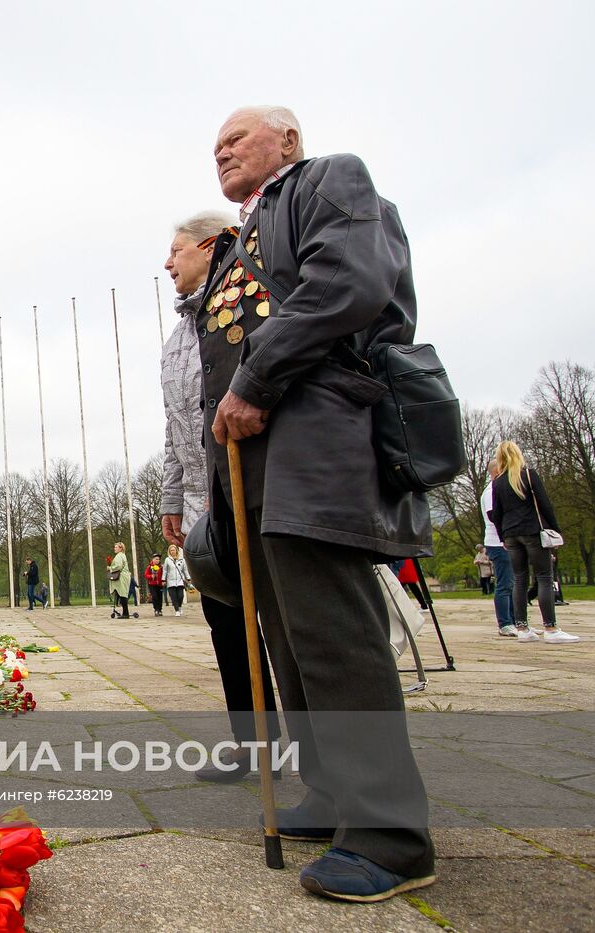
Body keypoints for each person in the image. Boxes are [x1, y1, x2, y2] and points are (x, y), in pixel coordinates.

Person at [195, 106, 435, 901]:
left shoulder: (330, 180)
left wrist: (256, 381)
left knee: (331, 628)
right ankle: (333, 793)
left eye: (239, 137)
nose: (222, 149)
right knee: (289, 636)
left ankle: (390, 833)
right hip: (254, 455)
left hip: (317, 431)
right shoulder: (238, 242)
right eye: (214, 146)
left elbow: (348, 285)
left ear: (288, 142)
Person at [160, 208, 279, 785]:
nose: (167, 264)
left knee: (279, 618)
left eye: (176, 251)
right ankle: (256, 742)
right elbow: (174, 425)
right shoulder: (177, 336)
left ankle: (322, 749)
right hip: (205, 499)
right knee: (225, 620)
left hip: (256, 486)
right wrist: (172, 498)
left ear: (210, 247)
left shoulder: (245, 303)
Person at [488, 441, 577, 644]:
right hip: (531, 531)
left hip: (511, 534)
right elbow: (545, 504)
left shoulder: (498, 482)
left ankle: (522, 627)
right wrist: (555, 529)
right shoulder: (528, 475)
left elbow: (497, 513)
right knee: (544, 577)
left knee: (519, 579)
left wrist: (503, 537)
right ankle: (551, 628)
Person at [481, 459, 516, 635]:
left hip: (504, 542)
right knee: (505, 584)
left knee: (512, 584)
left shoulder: (498, 490)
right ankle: (505, 623)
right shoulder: (491, 492)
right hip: (497, 542)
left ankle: (516, 621)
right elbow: (494, 516)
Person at [164, 544, 190, 616]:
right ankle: (177, 610)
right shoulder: (167, 560)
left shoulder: (182, 560)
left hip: (180, 581)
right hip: (171, 581)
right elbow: (165, 570)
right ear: (169, 551)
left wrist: (188, 578)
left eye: (173, 550)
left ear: (176, 551)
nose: (172, 551)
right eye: (171, 550)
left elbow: (185, 570)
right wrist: (163, 579)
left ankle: (180, 606)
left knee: (180, 596)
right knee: (174, 597)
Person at [107, 543, 131, 618]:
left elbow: (118, 566)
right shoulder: (122, 555)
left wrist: (110, 568)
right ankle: (125, 612)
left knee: (122, 594)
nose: (114, 548)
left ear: (120, 548)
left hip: (121, 577)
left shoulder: (119, 556)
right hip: (124, 576)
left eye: (116, 547)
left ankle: (125, 613)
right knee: (122, 593)